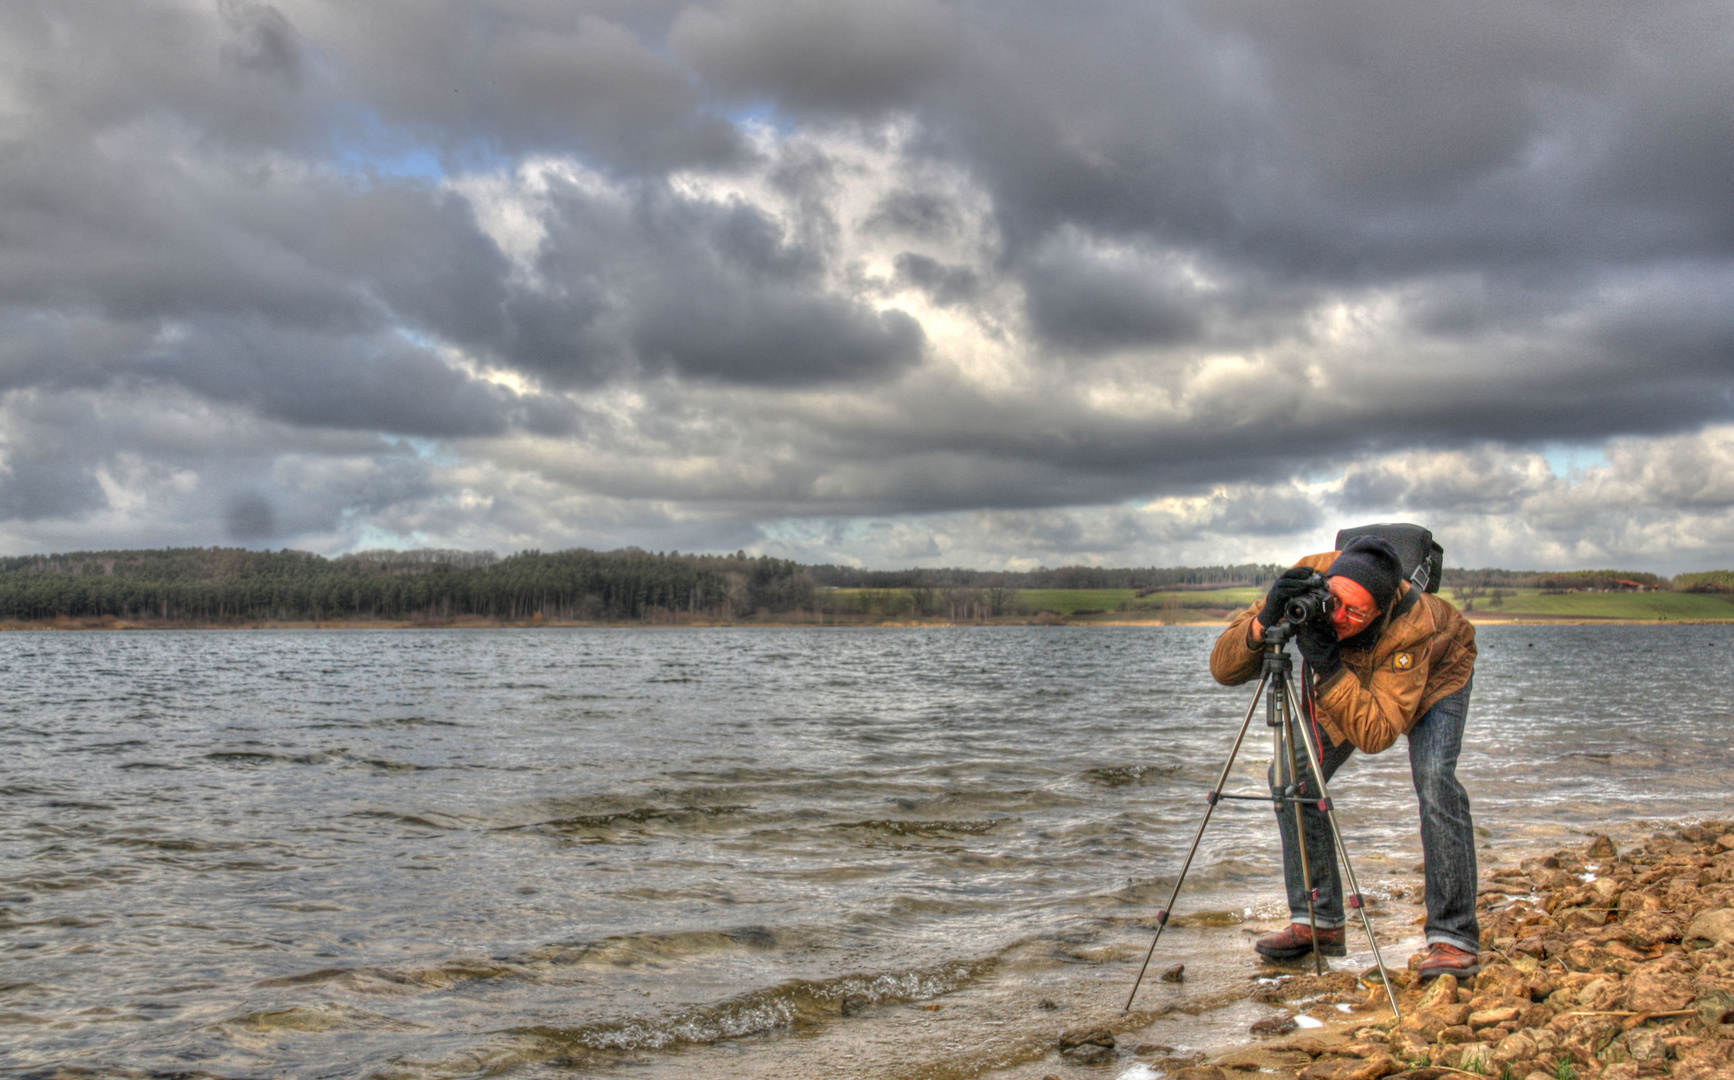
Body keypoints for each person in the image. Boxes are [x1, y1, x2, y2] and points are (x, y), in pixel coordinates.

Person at [1209, 535, 1480, 981]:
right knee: (1291, 776)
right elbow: (1223, 668)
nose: (1337, 617)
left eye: (1355, 613)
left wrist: (1327, 663)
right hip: (1354, 671)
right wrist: (1265, 618)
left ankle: (1454, 938)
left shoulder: (1416, 624)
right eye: (1334, 603)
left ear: (1382, 609)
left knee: (1435, 781)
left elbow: (1376, 733)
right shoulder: (1310, 579)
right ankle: (1320, 922)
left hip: (1437, 672)